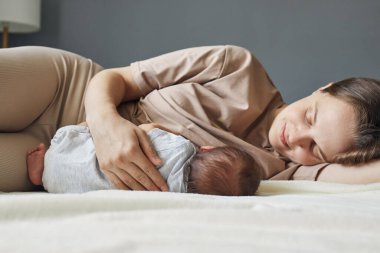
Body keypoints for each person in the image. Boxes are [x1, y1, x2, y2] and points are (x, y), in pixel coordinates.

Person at [0, 45, 379, 192]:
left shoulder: (283, 170)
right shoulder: (236, 66)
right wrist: (105, 127)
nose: (294, 137)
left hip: (62, 160)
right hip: (68, 89)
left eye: (315, 147)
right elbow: (114, 78)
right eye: (310, 116)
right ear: (323, 88)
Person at [26, 122, 260, 195]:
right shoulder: (175, 197)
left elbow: (146, 130)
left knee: (92, 132)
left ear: (207, 149)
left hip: (64, 147)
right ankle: (42, 175)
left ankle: (50, 157)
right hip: (58, 185)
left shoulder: (181, 148)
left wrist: (165, 129)